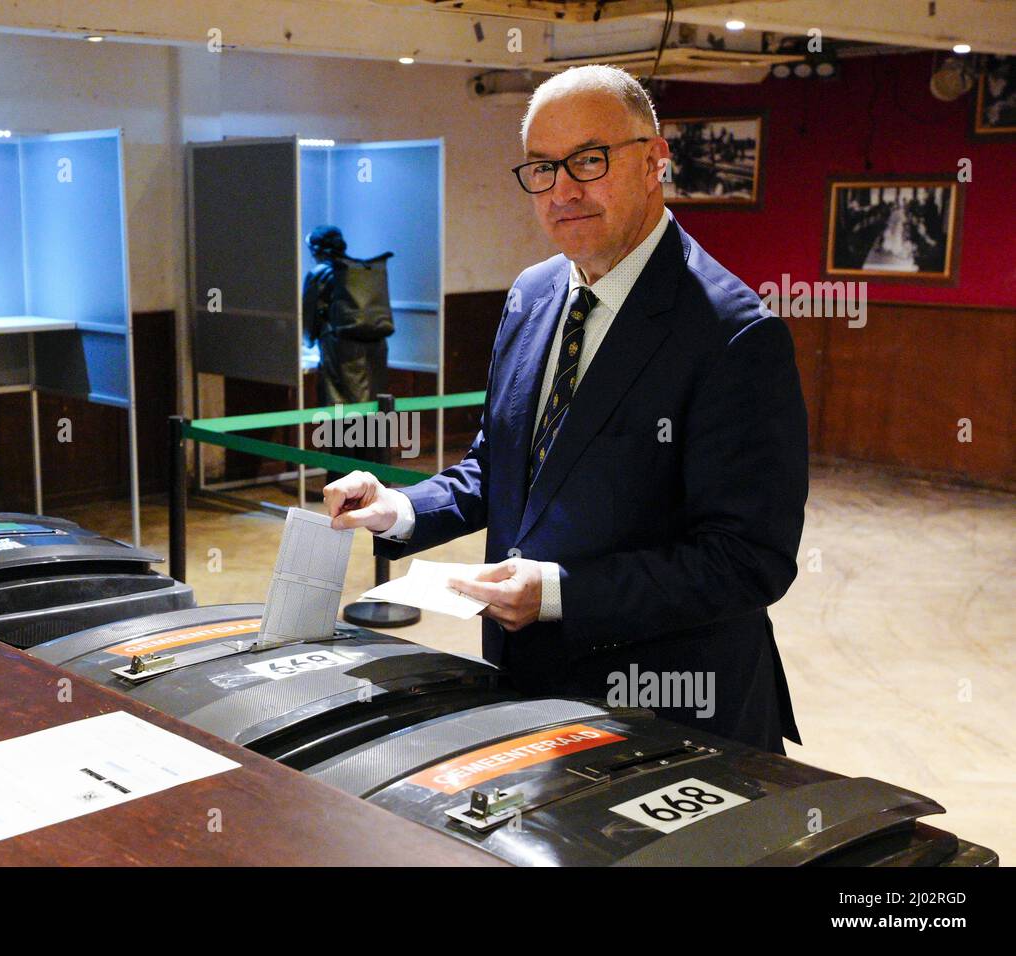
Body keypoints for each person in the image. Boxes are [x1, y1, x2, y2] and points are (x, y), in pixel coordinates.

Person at [323, 65, 808, 753]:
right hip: (527, 687)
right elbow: (502, 465)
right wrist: (400, 508)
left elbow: (747, 559)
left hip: (669, 713)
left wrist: (559, 592)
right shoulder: (532, 293)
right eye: (543, 168)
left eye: (589, 159)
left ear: (655, 160)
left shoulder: (734, 333)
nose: (564, 190)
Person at [303, 225, 393, 483]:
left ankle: (341, 481)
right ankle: (372, 481)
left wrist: (309, 341)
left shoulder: (320, 273)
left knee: (340, 417)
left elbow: (309, 317)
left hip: (339, 353)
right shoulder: (359, 271)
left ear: (316, 249)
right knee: (371, 417)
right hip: (374, 352)